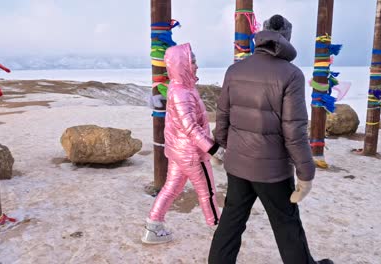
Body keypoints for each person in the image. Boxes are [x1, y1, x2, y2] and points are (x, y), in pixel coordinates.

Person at [208, 15, 333, 264]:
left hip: (238, 165)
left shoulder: (235, 70)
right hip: (272, 170)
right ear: (287, 38)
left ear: (262, 36)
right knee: (286, 224)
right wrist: (306, 174)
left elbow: (223, 115)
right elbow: (295, 130)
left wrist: (221, 148)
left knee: (232, 221)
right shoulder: (291, 74)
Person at [142, 43, 222, 244]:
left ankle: (153, 226)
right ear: (182, 65)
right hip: (192, 153)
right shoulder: (182, 93)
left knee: (171, 188)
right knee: (208, 192)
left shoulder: (179, 88)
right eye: (192, 62)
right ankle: (220, 232)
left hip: (179, 152)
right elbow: (190, 127)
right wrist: (213, 149)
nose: (196, 66)